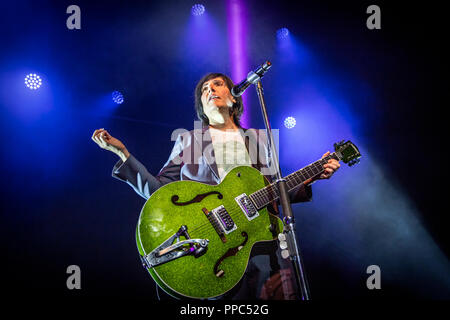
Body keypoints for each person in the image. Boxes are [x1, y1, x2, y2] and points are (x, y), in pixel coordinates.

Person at [91, 72, 340, 300]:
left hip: (264, 247)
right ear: (202, 107)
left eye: (218, 84)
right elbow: (159, 192)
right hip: (216, 253)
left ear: (233, 98)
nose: (210, 89)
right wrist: (123, 154)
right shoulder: (188, 140)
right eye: (204, 89)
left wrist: (312, 177)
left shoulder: (258, 138)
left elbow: (273, 191)